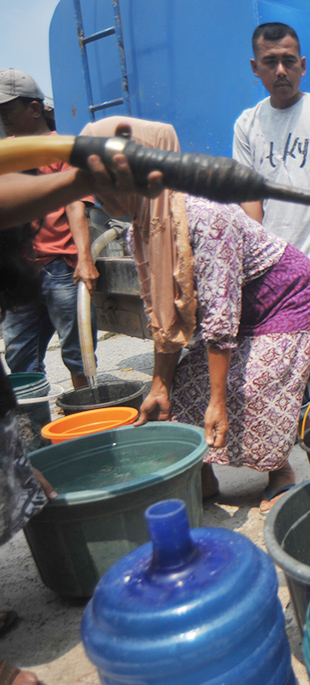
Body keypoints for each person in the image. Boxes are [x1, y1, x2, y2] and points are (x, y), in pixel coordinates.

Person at [89, 117, 310, 514]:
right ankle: (202, 478)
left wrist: (219, 401)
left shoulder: (207, 218)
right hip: (240, 309)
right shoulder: (139, 231)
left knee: (250, 388)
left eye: (104, 178)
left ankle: (280, 472)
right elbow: (162, 318)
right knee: (181, 388)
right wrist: (159, 387)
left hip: (287, 297)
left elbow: (219, 315)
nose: (94, 192)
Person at [0, 133, 154, 685]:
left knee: (70, 355)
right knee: (23, 364)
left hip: (61, 261)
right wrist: (86, 176)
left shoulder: (32, 151)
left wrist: (19, 459)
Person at [233, 22, 310, 423]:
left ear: (303, 65)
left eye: (289, 61)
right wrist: (257, 258)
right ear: (256, 68)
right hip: (271, 265)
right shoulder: (247, 124)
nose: (281, 71)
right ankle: (287, 428)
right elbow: (249, 195)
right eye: (271, 62)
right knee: (276, 350)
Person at [0, 68, 98, 390]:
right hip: (21, 271)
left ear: (35, 108)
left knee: (78, 355)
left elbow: (75, 205)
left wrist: (85, 258)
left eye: (8, 110)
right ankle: (33, 428)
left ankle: (88, 422)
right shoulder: (6, 154)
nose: (3, 118)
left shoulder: (62, 149)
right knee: (19, 357)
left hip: (61, 267)